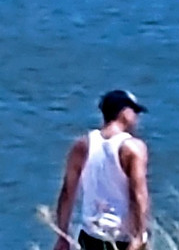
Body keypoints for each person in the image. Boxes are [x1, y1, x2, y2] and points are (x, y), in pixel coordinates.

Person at [52, 90, 150, 250]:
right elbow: (138, 194)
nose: (137, 119)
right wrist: (139, 236)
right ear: (124, 112)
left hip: (90, 234)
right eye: (135, 112)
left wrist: (62, 235)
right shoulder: (133, 148)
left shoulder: (82, 145)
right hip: (122, 237)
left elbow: (67, 192)